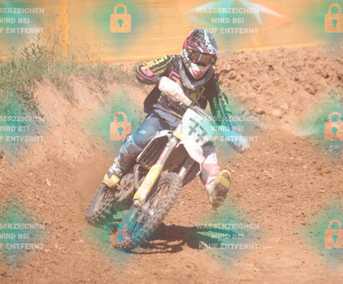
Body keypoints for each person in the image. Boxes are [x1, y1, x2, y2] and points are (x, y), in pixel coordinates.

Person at [103, 28, 250, 209]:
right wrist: (158, 80)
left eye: (207, 59)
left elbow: (221, 106)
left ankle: (214, 188)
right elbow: (142, 70)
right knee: (142, 137)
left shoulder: (211, 80)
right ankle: (118, 166)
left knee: (208, 150)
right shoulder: (172, 62)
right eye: (198, 57)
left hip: (191, 125)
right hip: (163, 114)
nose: (201, 63)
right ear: (187, 52)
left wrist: (231, 131)